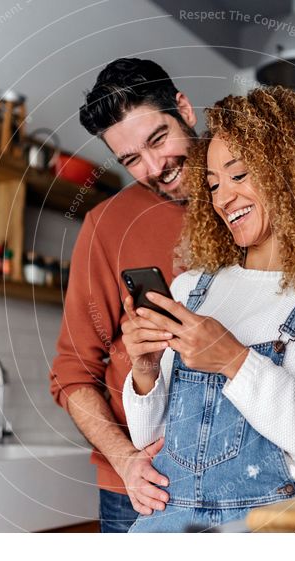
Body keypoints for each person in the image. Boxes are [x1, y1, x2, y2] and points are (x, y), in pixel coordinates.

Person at [121, 86, 295, 532]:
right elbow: (156, 447)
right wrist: (145, 373)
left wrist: (234, 360)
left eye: (239, 175)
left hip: (273, 529)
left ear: (294, 172)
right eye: (213, 184)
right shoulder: (191, 289)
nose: (223, 198)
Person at [49, 58, 198, 533]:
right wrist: (126, 460)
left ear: (184, 109)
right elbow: (72, 372)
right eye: (132, 159)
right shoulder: (106, 225)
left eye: (158, 139)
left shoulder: (250, 200)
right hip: (139, 492)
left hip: (249, 482)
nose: (156, 167)